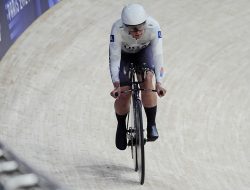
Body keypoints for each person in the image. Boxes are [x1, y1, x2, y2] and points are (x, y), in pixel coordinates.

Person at [109, 3, 166, 150]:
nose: (136, 33)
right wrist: (116, 84)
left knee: (147, 80)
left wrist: (159, 82)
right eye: (132, 30)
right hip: (124, 56)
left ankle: (151, 123)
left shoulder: (154, 26)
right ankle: (121, 126)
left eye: (140, 28)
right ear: (124, 26)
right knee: (124, 93)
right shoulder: (117, 28)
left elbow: (158, 55)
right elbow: (114, 57)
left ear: (145, 23)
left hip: (144, 53)